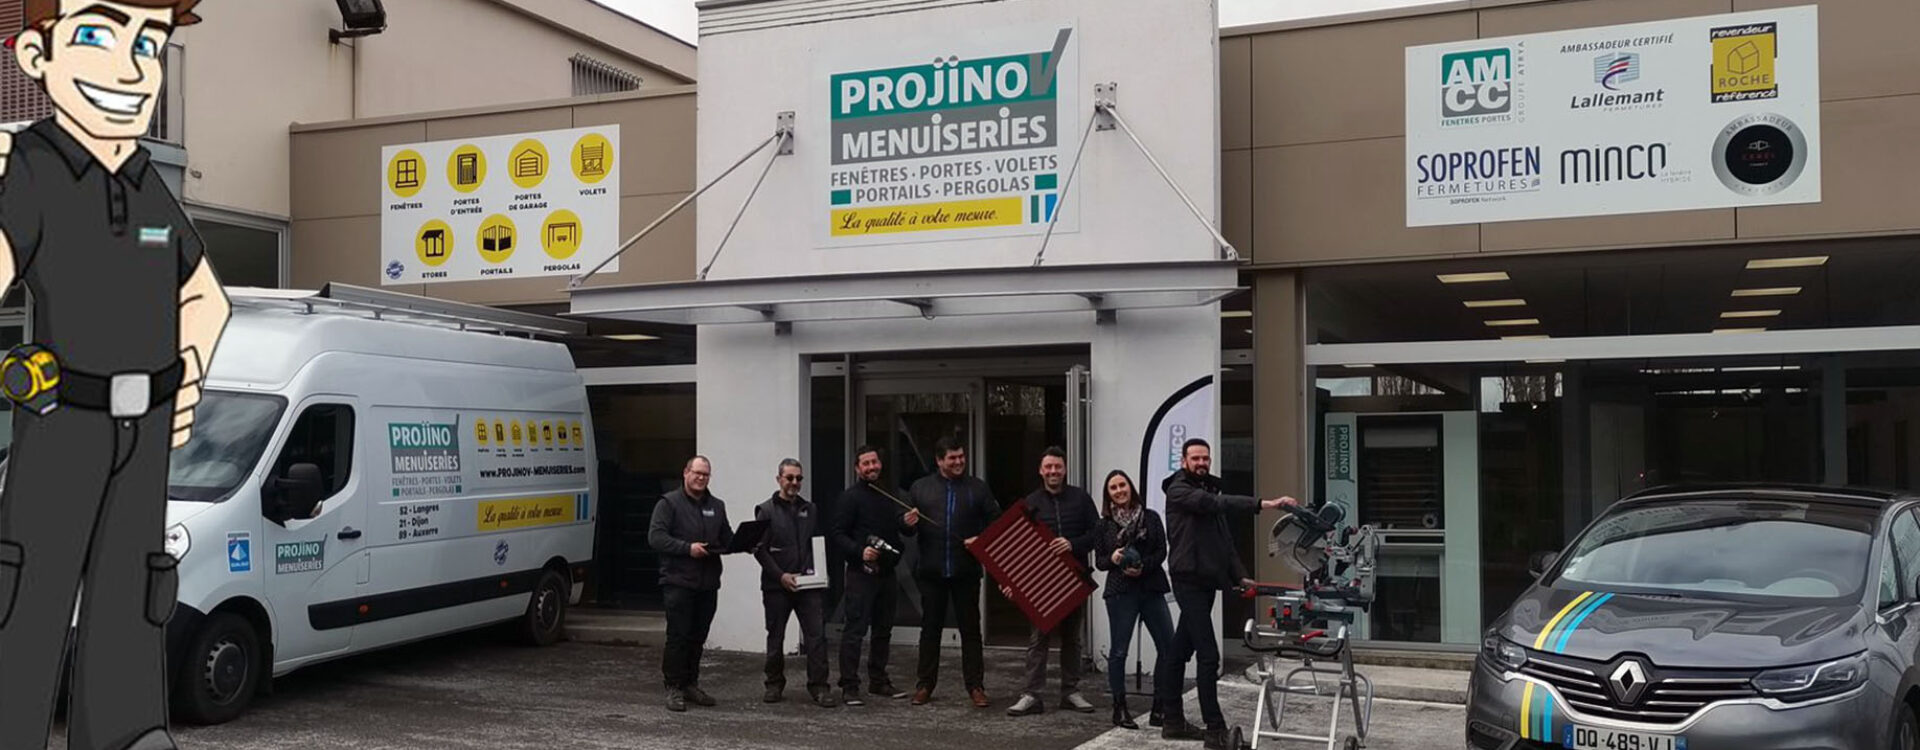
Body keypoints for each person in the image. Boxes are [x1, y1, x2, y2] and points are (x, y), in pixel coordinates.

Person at [0, 2, 232, 748]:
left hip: (148, 427)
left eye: (149, 42)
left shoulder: (141, 178)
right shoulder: (29, 168)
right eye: (96, 34)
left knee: (136, 586)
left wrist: (189, 377)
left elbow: (205, 298)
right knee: (30, 589)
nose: (130, 68)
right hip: (63, 423)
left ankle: (128, 733)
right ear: (36, 57)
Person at [1159, 438, 1297, 748]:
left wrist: (1241, 575)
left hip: (1207, 582)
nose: (1201, 463)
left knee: (1179, 651)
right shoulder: (1179, 491)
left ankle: (1172, 721)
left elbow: (1226, 542)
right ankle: (1215, 731)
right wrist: (1265, 504)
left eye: (1205, 458)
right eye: (1195, 458)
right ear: (1183, 461)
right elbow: (1215, 505)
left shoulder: (1209, 490)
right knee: (1208, 656)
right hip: (1188, 581)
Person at [904, 436, 1000, 708]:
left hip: (965, 571)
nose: (959, 462)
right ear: (939, 460)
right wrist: (907, 523)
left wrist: (980, 540)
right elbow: (906, 529)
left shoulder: (977, 488)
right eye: (952, 458)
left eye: (961, 457)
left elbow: (997, 523)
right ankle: (924, 685)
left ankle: (976, 686)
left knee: (971, 631)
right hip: (931, 572)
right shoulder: (920, 488)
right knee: (930, 630)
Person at [1007, 447, 1100, 717]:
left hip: (1074, 578)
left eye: (1057, 466)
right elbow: (1019, 547)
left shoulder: (1081, 498)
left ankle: (1070, 692)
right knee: (1038, 639)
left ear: (1065, 469)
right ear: (1041, 470)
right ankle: (1031, 695)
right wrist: (1013, 582)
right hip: (1042, 581)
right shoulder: (1031, 502)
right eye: (1048, 467)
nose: (1053, 471)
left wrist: (1073, 544)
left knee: (1072, 639)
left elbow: (1097, 533)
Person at [830, 445, 916, 707]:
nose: (871, 467)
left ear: (880, 463)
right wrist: (860, 551)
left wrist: (907, 523)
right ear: (857, 468)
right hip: (861, 573)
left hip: (887, 573)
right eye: (866, 464)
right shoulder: (849, 498)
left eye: (874, 462)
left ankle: (878, 681)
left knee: (883, 630)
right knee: (855, 630)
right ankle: (849, 686)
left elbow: (898, 530)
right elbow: (837, 534)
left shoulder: (888, 494)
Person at [648, 455, 735, 712]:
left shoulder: (717, 506)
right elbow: (656, 538)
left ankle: (690, 684)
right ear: (685, 473)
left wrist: (746, 542)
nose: (701, 478)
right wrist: (688, 549)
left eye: (705, 474)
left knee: (698, 637)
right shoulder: (668, 503)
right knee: (679, 636)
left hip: (708, 583)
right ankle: (673, 686)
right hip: (678, 581)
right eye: (697, 473)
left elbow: (726, 538)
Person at [1091, 469, 1176, 731]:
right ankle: (1119, 708)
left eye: (1122, 485)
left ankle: (1159, 707)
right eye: (1113, 488)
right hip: (1121, 591)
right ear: (1108, 494)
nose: (1119, 491)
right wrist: (1114, 559)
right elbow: (1100, 561)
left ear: (1131, 487)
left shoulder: (1150, 517)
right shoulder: (1103, 525)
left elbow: (1161, 551)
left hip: (1151, 587)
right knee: (1119, 652)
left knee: (1168, 647)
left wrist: (1144, 567)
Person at [754, 458, 837, 708]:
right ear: (778, 479)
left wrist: (816, 573)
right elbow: (759, 550)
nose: (794, 482)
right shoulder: (765, 510)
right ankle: (774, 684)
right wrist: (780, 576)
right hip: (776, 586)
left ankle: (819, 687)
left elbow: (817, 543)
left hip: (807, 585)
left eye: (798, 478)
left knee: (816, 637)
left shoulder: (810, 509)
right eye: (789, 477)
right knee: (776, 637)